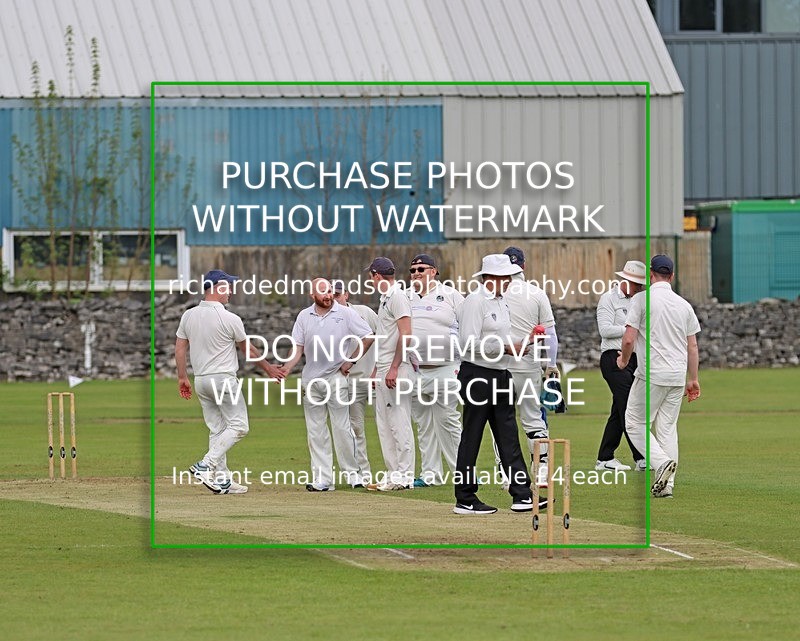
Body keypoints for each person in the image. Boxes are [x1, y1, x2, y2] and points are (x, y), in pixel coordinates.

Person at [175, 269, 286, 494]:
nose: (231, 292)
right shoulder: (230, 318)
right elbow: (248, 350)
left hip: (201, 381)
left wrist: (182, 377)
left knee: (217, 429)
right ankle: (205, 465)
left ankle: (223, 479)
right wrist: (269, 369)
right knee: (239, 426)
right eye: (228, 287)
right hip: (223, 380)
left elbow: (179, 348)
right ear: (217, 288)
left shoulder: (188, 315)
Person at [453, 254, 538, 515]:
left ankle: (522, 495)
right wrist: (504, 347)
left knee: (508, 435)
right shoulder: (475, 301)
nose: (510, 281)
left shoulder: (501, 302)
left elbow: (502, 336)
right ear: (492, 277)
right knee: (472, 436)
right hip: (477, 375)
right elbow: (467, 343)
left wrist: (520, 344)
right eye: (506, 277)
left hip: (500, 373)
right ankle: (465, 497)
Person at [617, 255, 701, 498]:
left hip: (651, 374)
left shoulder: (641, 300)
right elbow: (692, 346)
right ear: (672, 276)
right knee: (667, 430)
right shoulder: (684, 305)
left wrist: (623, 361)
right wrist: (693, 379)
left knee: (634, 423)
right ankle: (667, 486)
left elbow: (629, 339)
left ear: (650, 274)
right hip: (677, 376)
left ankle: (661, 463)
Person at [281, 278, 374, 491]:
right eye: (323, 291)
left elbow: (368, 337)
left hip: (336, 378)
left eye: (330, 291)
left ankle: (353, 475)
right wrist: (287, 368)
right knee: (316, 431)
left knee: (342, 428)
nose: (328, 295)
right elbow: (298, 347)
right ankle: (323, 479)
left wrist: (350, 361)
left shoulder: (345, 313)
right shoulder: (304, 316)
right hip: (311, 380)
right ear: (312, 294)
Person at [501, 246, 559, 487]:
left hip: (500, 365)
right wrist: (551, 365)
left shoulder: (492, 293)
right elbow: (550, 335)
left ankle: (507, 474)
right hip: (528, 364)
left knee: (501, 420)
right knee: (533, 418)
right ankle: (542, 469)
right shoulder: (537, 293)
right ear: (523, 266)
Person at [407, 253, 464, 487]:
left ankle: (463, 472)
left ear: (433, 271)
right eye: (412, 270)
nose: (416, 274)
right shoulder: (405, 297)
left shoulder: (451, 295)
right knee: (424, 424)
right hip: (416, 369)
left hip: (446, 367)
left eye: (421, 269)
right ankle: (431, 474)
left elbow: (468, 325)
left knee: (448, 420)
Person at [366, 257, 416, 491]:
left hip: (397, 368)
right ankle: (393, 474)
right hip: (384, 367)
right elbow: (385, 337)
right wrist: (377, 368)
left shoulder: (397, 296)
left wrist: (394, 367)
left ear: (377, 275)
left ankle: (404, 477)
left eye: (371, 277)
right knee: (385, 425)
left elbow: (406, 334)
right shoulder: (386, 298)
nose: (371, 281)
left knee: (399, 423)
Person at [595, 260, 647, 472]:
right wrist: (630, 328)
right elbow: (605, 330)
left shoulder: (641, 300)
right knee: (629, 406)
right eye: (636, 284)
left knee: (619, 409)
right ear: (625, 280)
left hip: (633, 358)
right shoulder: (608, 298)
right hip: (612, 357)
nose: (639, 288)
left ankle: (605, 458)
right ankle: (641, 457)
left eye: (641, 285)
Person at [332, 279, 378, 485]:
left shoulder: (364, 312)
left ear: (346, 294)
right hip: (350, 381)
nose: (335, 299)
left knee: (389, 426)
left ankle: (399, 473)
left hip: (375, 378)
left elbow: (384, 338)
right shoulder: (328, 320)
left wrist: (378, 369)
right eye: (331, 295)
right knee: (356, 428)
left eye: (338, 294)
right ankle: (363, 475)